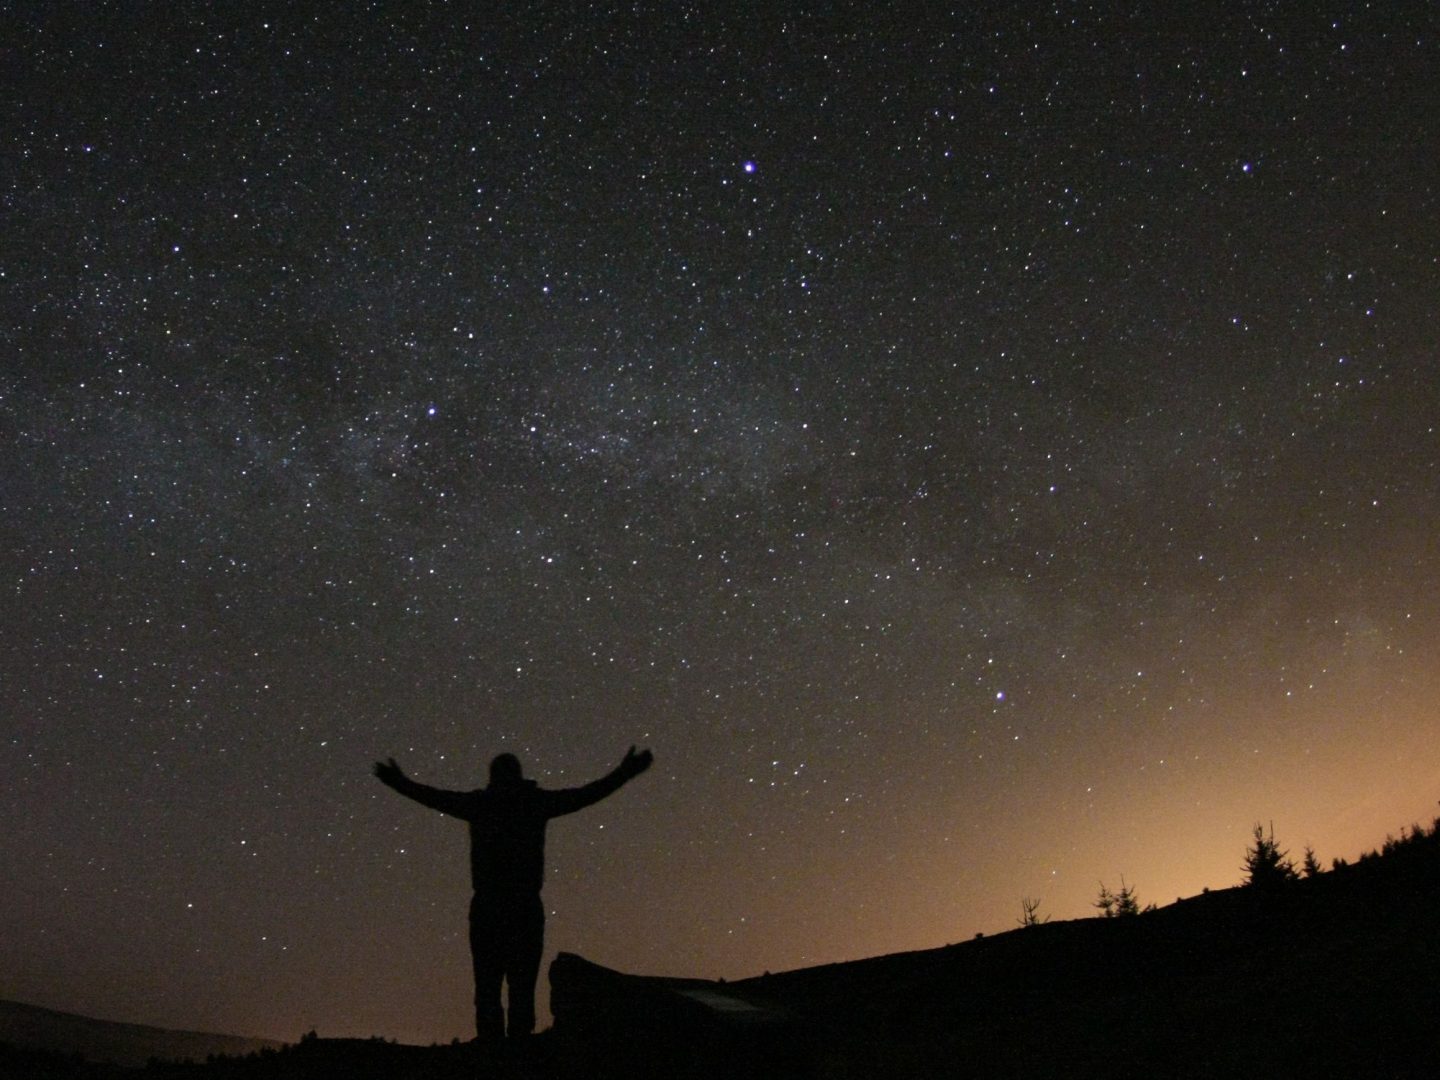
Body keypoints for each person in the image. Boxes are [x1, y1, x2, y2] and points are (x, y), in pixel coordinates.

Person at [372, 745, 653, 1042]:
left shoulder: (483, 804)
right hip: (522, 907)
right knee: (518, 986)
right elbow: (585, 795)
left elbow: (433, 797)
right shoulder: (533, 803)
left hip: (491, 907)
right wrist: (624, 773)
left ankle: (494, 1053)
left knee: (489, 986)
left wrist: (399, 782)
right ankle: (515, 1051)